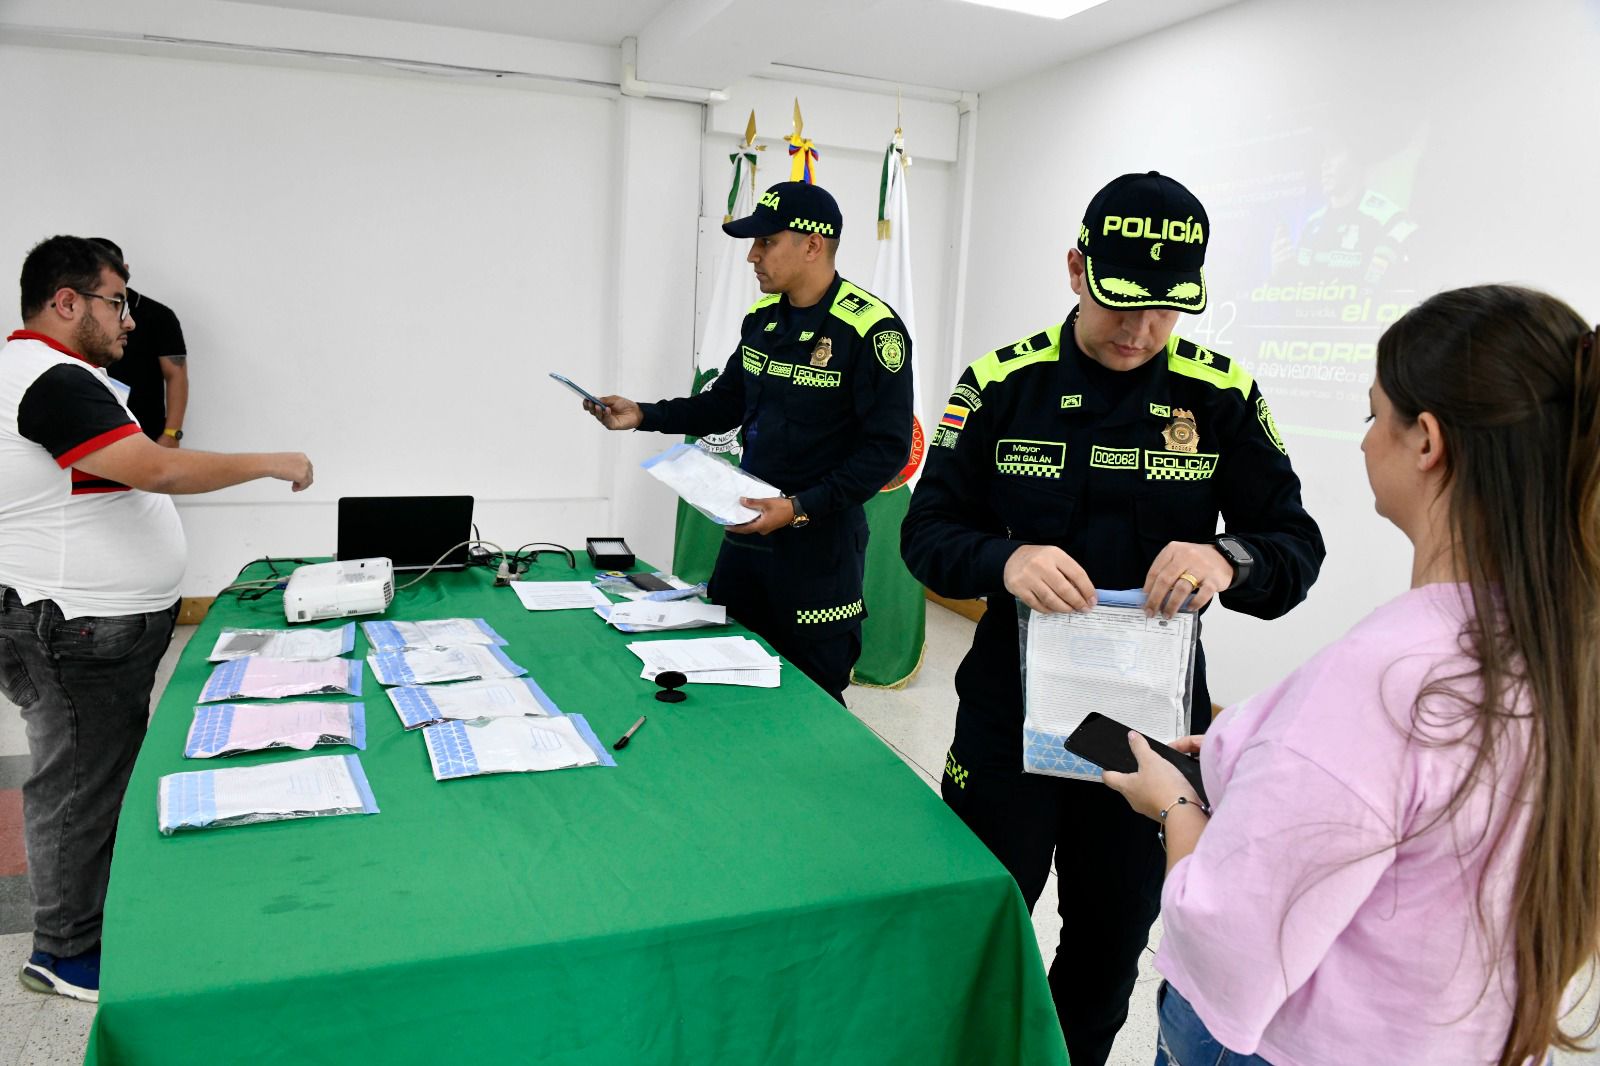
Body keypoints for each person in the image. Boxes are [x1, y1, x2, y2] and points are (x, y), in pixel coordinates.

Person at [1104, 284, 1600, 1066]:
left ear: (1427, 441)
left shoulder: (1383, 681)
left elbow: (1227, 947)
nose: (1366, 442)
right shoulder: (1566, 648)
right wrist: (1250, 759)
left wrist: (1173, 807)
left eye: (1375, 416)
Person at [900, 171, 1325, 1065]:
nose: (1140, 332)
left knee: (1106, 949)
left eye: (1167, 312)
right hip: (1010, 718)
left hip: (1140, 735)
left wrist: (1227, 558)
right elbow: (927, 532)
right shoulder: (999, 385)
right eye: (1119, 304)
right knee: (980, 924)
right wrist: (1003, 561)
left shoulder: (1221, 397)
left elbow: (1294, 546)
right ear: (1075, 268)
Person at [0, 235, 313, 1002]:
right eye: (116, 302)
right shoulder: (53, 379)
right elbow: (158, 468)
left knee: (94, 778)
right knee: (78, 785)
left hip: (72, 618)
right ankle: (65, 952)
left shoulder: (48, 375)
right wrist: (271, 460)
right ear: (65, 302)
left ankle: (95, 922)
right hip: (74, 626)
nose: (129, 320)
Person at [585, 181, 913, 704]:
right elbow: (724, 404)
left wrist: (799, 508)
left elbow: (886, 451)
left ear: (812, 244)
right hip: (745, 536)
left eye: (765, 242)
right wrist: (642, 414)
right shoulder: (763, 322)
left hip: (817, 550)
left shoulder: (870, 331)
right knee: (723, 672)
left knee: (812, 697)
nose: (752, 256)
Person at [89, 239, 189, 446]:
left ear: (125, 270)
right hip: (88, 432)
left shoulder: (158, 316)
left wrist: (172, 433)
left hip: (143, 434)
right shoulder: (79, 315)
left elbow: (176, 374)